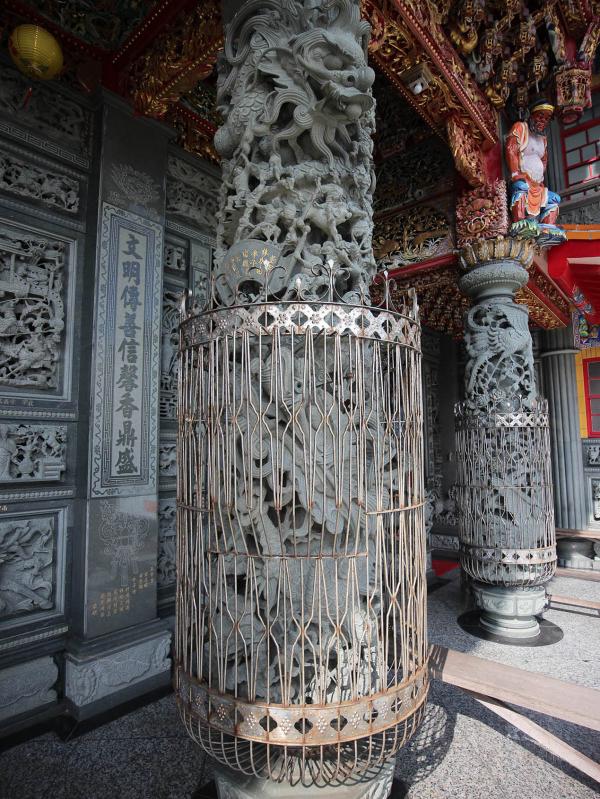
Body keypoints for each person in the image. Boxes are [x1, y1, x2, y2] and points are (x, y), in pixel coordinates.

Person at [505, 97, 566, 242]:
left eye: (547, 118)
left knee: (554, 198)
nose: (542, 121)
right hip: (522, 179)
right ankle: (520, 221)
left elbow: (544, 160)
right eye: (540, 116)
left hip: (537, 184)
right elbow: (511, 149)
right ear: (531, 115)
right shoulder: (521, 128)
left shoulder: (543, 139)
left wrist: (538, 176)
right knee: (520, 187)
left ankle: (547, 227)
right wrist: (515, 173)